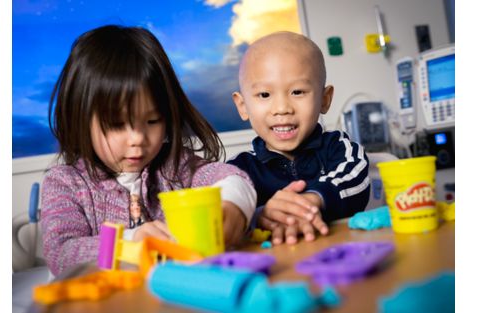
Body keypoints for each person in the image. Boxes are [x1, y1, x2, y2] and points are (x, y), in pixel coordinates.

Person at [40, 25, 256, 276]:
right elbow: (61, 254)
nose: (138, 139)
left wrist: (231, 207)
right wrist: (130, 243)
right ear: (80, 118)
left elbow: (232, 178)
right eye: (117, 124)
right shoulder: (65, 184)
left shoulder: (175, 167)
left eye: (153, 121)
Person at [228, 31, 370, 245]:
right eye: (265, 95)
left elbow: (355, 178)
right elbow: (225, 213)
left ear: (324, 99)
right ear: (242, 105)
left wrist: (312, 201)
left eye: (297, 92)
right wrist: (259, 216)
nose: (282, 108)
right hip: (275, 271)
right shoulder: (238, 171)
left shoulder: (339, 147)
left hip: (341, 256)